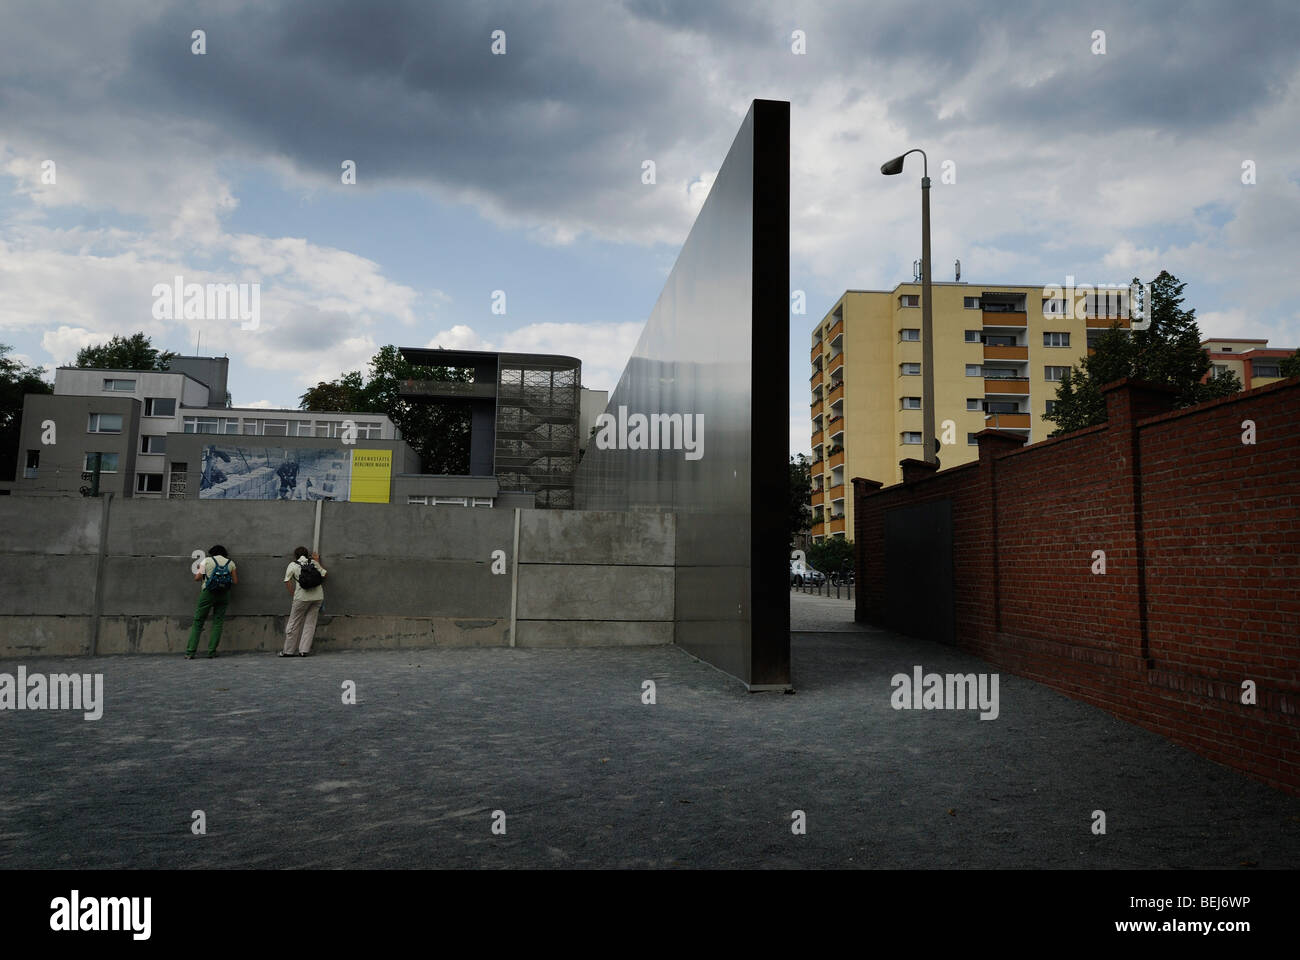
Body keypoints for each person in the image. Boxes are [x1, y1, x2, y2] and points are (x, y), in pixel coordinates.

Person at [186, 544, 238, 659]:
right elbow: (235, 581)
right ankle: (212, 651)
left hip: (208, 593)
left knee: (198, 621)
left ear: (212, 553)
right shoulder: (230, 563)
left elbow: (197, 578)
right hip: (224, 594)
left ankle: (190, 652)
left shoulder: (207, 561)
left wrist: (201, 569)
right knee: (218, 623)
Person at [282, 546, 327, 657]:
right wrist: (317, 560)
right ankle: (304, 650)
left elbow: (287, 581)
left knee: (293, 623)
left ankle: (288, 651)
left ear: (295, 555)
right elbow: (324, 574)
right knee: (310, 624)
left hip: (301, 598)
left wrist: (293, 594)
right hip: (317, 597)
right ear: (308, 554)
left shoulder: (293, 565)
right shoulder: (314, 563)